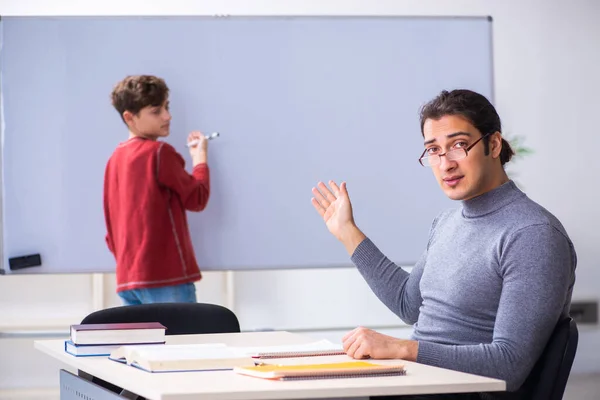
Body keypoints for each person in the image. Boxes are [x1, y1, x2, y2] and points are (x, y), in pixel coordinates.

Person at [311, 89, 576, 399]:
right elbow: (409, 305)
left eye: (459, 145)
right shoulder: (446, 224)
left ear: (493, 144)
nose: (445, 163)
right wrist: (347, 231)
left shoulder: (532, 234)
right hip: (417, 387)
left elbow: (509, 364)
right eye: (434, 150)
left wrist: (401, 349)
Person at [104, 75, 210, 305]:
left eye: (166, 107)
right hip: (166, 280)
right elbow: (198, 198)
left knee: (145, 343)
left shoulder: (115, 159)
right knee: (181, 341)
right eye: (156, 111)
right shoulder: (159, 153)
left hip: (128, 281)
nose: (167, 116)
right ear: (129, 117)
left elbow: (111, 229)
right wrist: (200, 158)